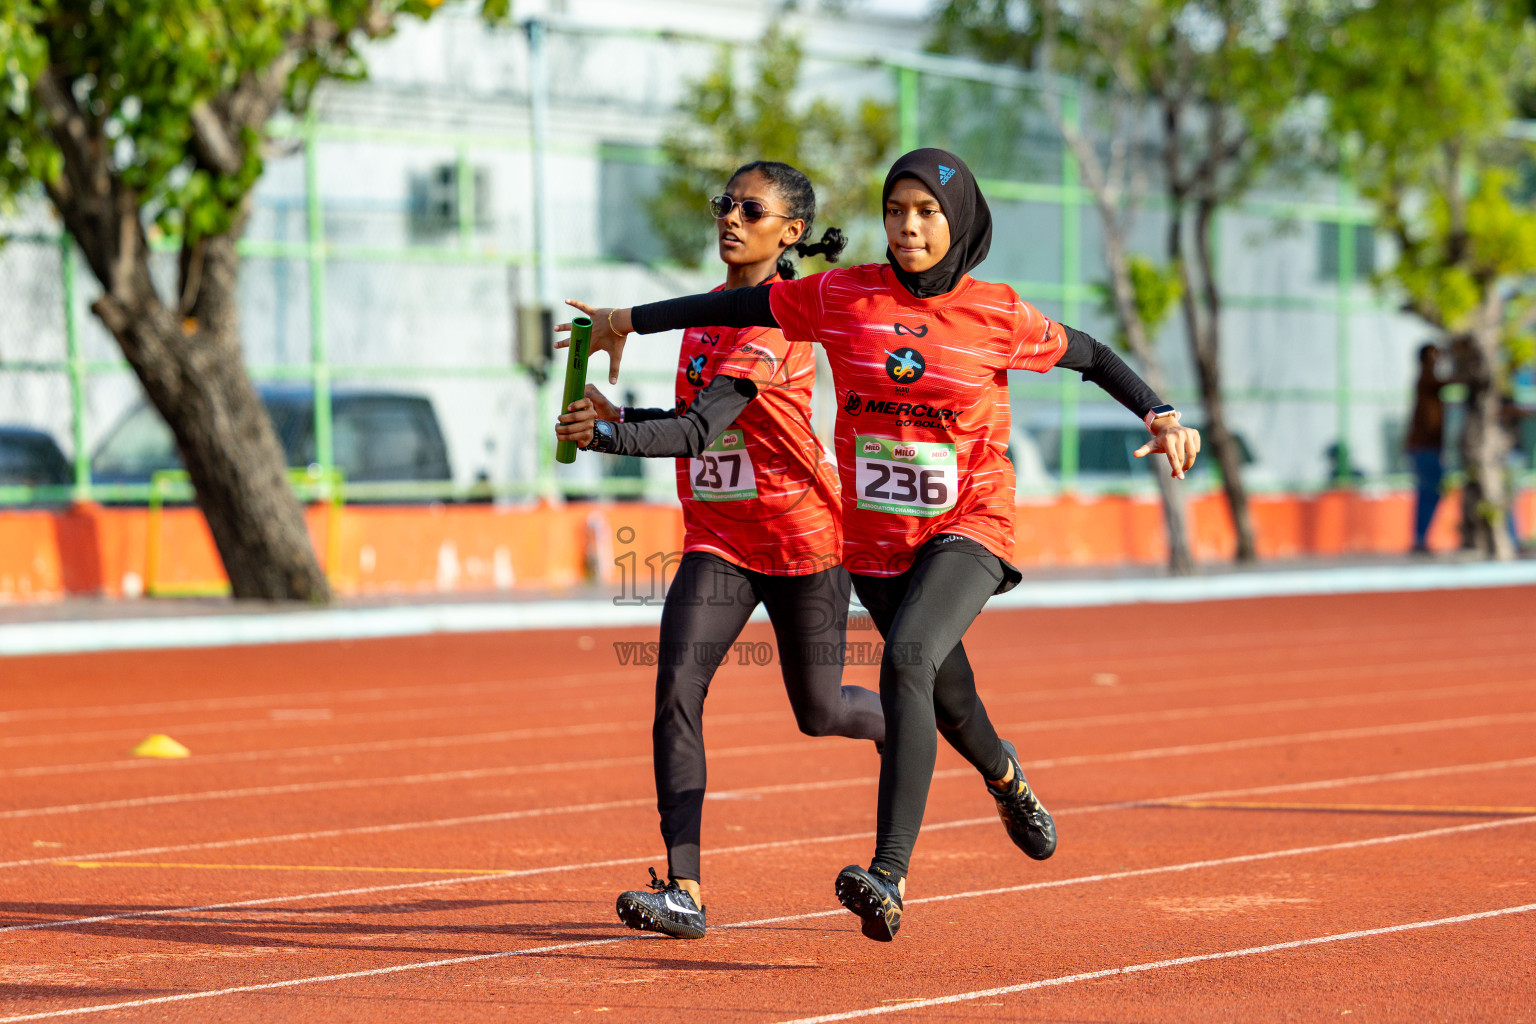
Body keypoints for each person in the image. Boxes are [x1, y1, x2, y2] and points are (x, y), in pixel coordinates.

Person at [559, 148, 1200, 942]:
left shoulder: (996, 313)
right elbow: (722, 324)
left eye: (927, 212)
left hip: (955, 523)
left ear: (957, 222)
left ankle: (887, 875)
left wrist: (1160, 412)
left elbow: (1093, 354)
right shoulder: (839, 295)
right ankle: (1000, 778)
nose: (908, 226)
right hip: (860, 541)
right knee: (935, 697)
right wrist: (624, 322)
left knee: (898, 665)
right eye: (897, 211)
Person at [554, 161, 885, 941]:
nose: (730, 217)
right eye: (724, 204)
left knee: (820, 709)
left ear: (791, 232)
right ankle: (685, 889)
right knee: (677, 684)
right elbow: (689, 413)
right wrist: (620, 409)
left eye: (750, 208)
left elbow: (704, 428)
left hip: (804, 541)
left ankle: (909, 716)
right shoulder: (703, 313)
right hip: (720, 540)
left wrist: (604, 434)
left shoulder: (778, 321)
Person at [1405, 343, 1445, 553]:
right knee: (1429, 491)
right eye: (1433, 356)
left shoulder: (1430, 381)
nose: (1436, 360)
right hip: (1424, 448)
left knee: (1431, 491)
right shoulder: (1426, 380)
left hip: (1430, 448)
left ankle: (1421, 537)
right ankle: (1419, 538)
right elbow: (1449, 382)